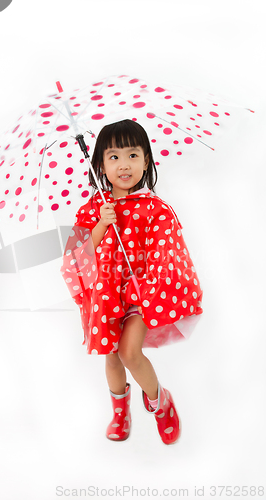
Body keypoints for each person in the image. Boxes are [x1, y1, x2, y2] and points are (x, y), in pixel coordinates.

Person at [61, 119, 203, 445]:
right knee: (111, 354)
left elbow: (169, 251)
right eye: (113, 157)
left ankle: (159, 400)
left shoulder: (155, 209)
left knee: (129, 352)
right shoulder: (94, 208)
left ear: (146, 160)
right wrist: (100, 224)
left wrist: (148, 283)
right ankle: (120, 410)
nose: (124, 164)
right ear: (100, 165)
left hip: (142, 295)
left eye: (133, 155)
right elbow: (76, 257)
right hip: (106, 295)